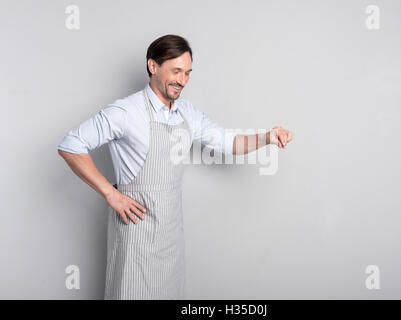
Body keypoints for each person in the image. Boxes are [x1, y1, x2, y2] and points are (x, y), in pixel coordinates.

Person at [57, 34, 293, 300]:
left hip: (170, 240)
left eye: (188, 73)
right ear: (153, 66)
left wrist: (267, 137)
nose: (183, 81)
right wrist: (111, 194)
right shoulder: (126, 112)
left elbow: (229, 142)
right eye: (177, 71)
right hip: (136, 238)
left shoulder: (187, 113)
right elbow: (71, 145)